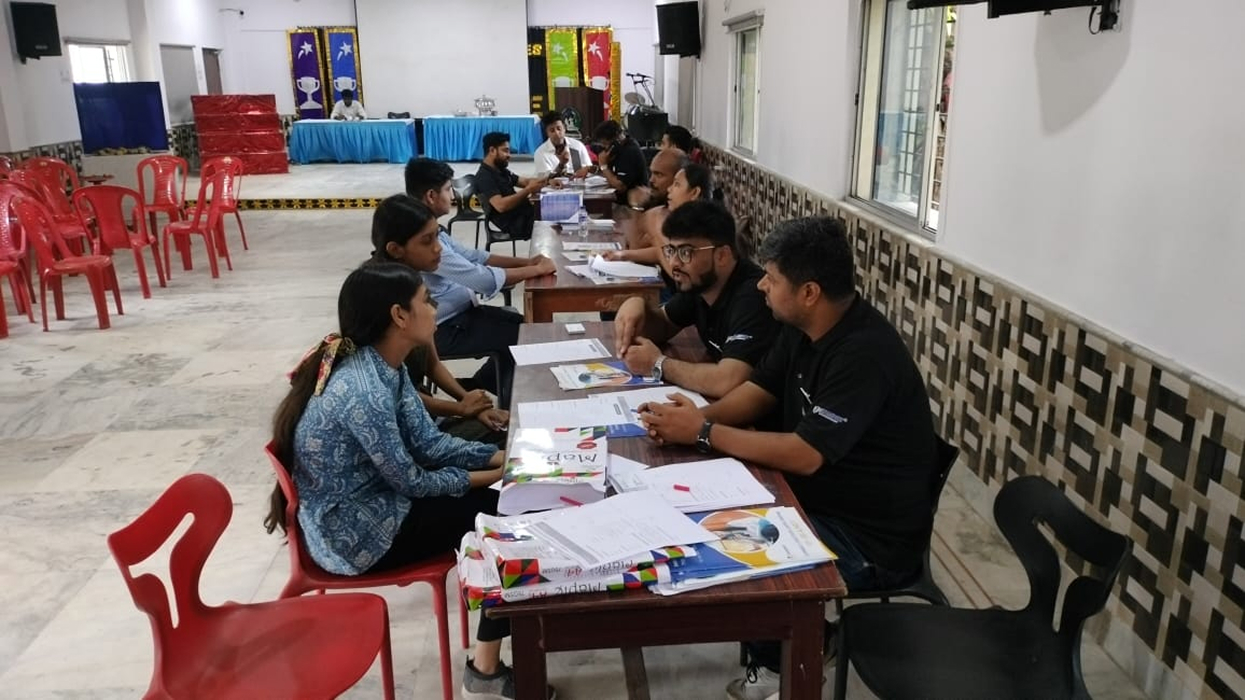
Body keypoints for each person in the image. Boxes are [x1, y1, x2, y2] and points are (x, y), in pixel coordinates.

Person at [638, 217, 939, 700]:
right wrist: (694, 421)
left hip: (868, 538)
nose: (761, 284)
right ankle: (792, 644)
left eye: (772, 278)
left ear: (809, 292)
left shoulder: (863, 354)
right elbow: (759, 391)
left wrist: (706, 433)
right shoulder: (802, 328)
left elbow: (805, 455)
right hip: (816, 499)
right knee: (705, 514)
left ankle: (794, 659)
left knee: (728, 552)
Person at [262, 262, 553, 699]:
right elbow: (413, 481)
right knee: (512, 514)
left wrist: (502, 455)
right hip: (360, 535)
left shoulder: (386, 365)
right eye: (426, 301)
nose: (436, 309)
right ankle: (486, 669)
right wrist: (500, 474)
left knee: (511, 495)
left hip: (382, 505)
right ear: (399, 316)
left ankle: (497, 650)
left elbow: (429, 444)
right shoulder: (363, 390)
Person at [613, 200, 778, 399]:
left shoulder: (754, 296)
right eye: (671, 251)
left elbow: (729, 381)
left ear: (722, 255)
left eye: (686, 252)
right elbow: (664, 325)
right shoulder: (700, 284)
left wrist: (658, 364)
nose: (674, 263)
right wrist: (636, 306)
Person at [370, 194, 521, 409]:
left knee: (524, 329)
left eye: (437, 238)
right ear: (395, 249)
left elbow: (431, 363)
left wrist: (467, 402)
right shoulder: (380, 298)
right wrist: (460, 408)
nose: (439, 248)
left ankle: (484, 388)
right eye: (427, 241)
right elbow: (398, 396)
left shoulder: (414, 283)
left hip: (416, 407)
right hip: (398, 416)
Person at [605, 148, 687, 265]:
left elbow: (636, 247)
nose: (651, 180)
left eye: (659, 175)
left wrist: (636, 208)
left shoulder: (682, 214)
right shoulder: (658, 202)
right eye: (651, 173)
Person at [474, 132, 546, 243]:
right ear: (492, 150)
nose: (509, 155)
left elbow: (525, 181)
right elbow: (501, 206)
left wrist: (548, 181)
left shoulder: (500, 170)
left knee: (557, 209)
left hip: (525, 214)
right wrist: (528, 190)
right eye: (505, 150)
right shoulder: (484, 177)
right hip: (516, 224)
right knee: (556, 217)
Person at [592, 119, 649, 206]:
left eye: (605, 144)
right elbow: (610, 174)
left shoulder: (630, 152)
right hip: (618, 201)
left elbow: (620, 186)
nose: (604, 148)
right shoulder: (620, 149)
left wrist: (603, 165)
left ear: (616, 141)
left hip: (630, 204)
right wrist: (592, 169)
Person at [533, 111, 594, 179]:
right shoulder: (540, 153)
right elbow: (545, 180)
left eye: (559, 129)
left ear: (564, 128)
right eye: (552, 131)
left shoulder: (577, 146)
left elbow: (589, 170)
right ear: (547, 133)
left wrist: (586, 170)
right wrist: (561, 164)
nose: (556, 133)